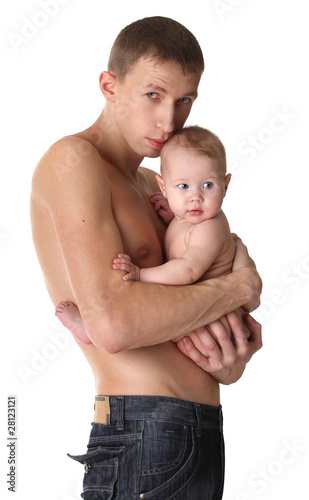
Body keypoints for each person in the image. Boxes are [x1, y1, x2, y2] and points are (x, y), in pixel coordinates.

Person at [30, 16, 262, 500]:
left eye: (184, 100)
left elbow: (186, 310)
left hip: (200, 431)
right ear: (109, 85)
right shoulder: (73, 161)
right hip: (142, 431)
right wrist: (236, 289)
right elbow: (116, 325)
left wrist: (228, 360)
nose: (169, 122)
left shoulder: (160, 191)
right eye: (153, 95)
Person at [56, 125, 236, 351]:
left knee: (152, 315)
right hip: (199, 313)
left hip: (210, 321)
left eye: (208, 185)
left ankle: (92, 330)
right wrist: (174, 219)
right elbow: (186, 243)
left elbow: (188, 270)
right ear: (164, 187)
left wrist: (141, 274)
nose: (195, 198)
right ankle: (95, 328)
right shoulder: (190, 221)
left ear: (226, 185)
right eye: (183, 186)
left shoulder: (210, 227)